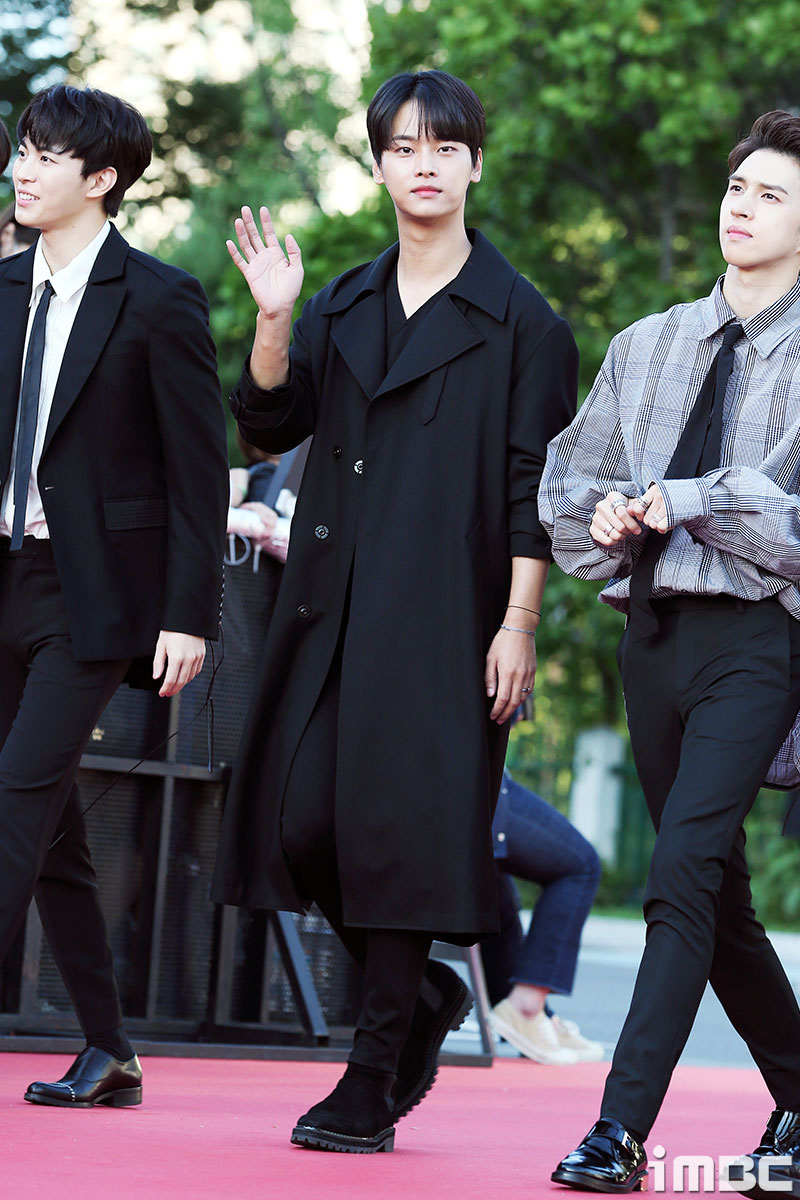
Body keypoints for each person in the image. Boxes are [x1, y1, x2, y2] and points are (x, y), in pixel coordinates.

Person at [212, 68, 578, 1154]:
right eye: (403, 147)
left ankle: (370, 1077)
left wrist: (516, 625)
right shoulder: (340, 303)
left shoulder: (524, 323)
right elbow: (268, 425)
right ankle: (420, 996)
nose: (424, 164)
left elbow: (534, 493)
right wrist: (274, 319)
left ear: (474, 163)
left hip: (446, 619)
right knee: (295, 819)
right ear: (378, 166)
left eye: (443, 146)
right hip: (322, 610)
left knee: (402, 838)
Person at [539, 109, 800, 1193]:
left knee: (682, 869)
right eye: (739, 188)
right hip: (650, 635)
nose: (743, 208)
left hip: (761, 639)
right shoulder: (644, 344)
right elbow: (566, 489)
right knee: (715, 893)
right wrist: (607, 517)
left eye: (772, 195)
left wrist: (692, 499)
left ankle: (618, 1130)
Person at [0, 84, 228, 1109]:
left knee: (14, 795)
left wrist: (188, 614)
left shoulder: (159, 298)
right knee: (50, 826)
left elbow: (198, 471)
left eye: (46, 156)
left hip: (87, 597)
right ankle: (111, 1050)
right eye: (23, 149)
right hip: (1, 575)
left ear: (101, 179)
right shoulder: (4, 289)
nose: (22, 169)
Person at [484, 766, 603, 1065]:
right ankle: (525, 1007)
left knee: (492, 892)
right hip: (463, 786)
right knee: (580, 865)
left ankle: (530, 1017)